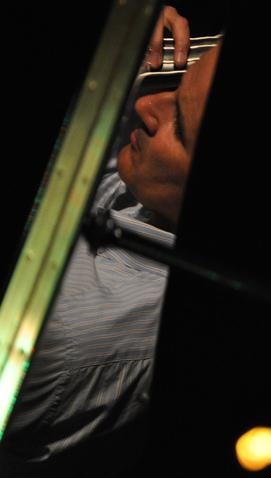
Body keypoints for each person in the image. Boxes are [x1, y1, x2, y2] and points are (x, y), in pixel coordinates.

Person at [0, 8, 222, 477]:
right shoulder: (155, 181)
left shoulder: (62, 340)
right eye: (177, 87)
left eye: (179, 128)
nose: (147, 104)